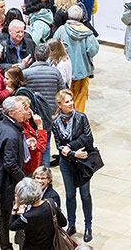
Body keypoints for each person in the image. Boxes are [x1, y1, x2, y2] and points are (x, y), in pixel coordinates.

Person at [51, 88, 94, 241]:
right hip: (67, 163)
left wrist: (69, 146)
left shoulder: (81, 117)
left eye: (71, 100)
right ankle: (71, 224)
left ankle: (88, 226)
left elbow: (88, 139)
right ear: (59, 104)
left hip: (82, 163)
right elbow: (58, 145)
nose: (71, 103)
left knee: (85, 195)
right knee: (70, 195)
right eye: (67, 101)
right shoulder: (55, 123)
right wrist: (72, 153)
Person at [0, 96, 30, 250]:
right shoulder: (12, 134)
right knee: (7, 217)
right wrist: (24, 179)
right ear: (12, 113)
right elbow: (10, 164)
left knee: (3, 217)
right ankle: (8, 246)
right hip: (8, 183)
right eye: (22, 110)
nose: (24, 112)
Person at [23, 43, 66, 168]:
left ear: (35, 56)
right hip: (49, 115)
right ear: (48, 56)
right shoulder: (55, 72)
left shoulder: (26, 73)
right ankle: (44, 172)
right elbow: (61, 91)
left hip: (31, 115)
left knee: (31, 143)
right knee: (45, 144)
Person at [53, 6, 99, 112]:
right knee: (80, 97)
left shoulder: (61, 30)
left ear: (68, 16)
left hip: (63, 71)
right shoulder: (87, 32)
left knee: (64, 98)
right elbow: (93, 50)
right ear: (82, 16)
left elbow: (53, 47)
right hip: (82, 71)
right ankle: (77, 121)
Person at [9, 177, 68, 250]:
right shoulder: (51, 203)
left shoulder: (26, 216)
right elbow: (63, 223)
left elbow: (12, 226)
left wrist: (15, 207)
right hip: (51, 246)